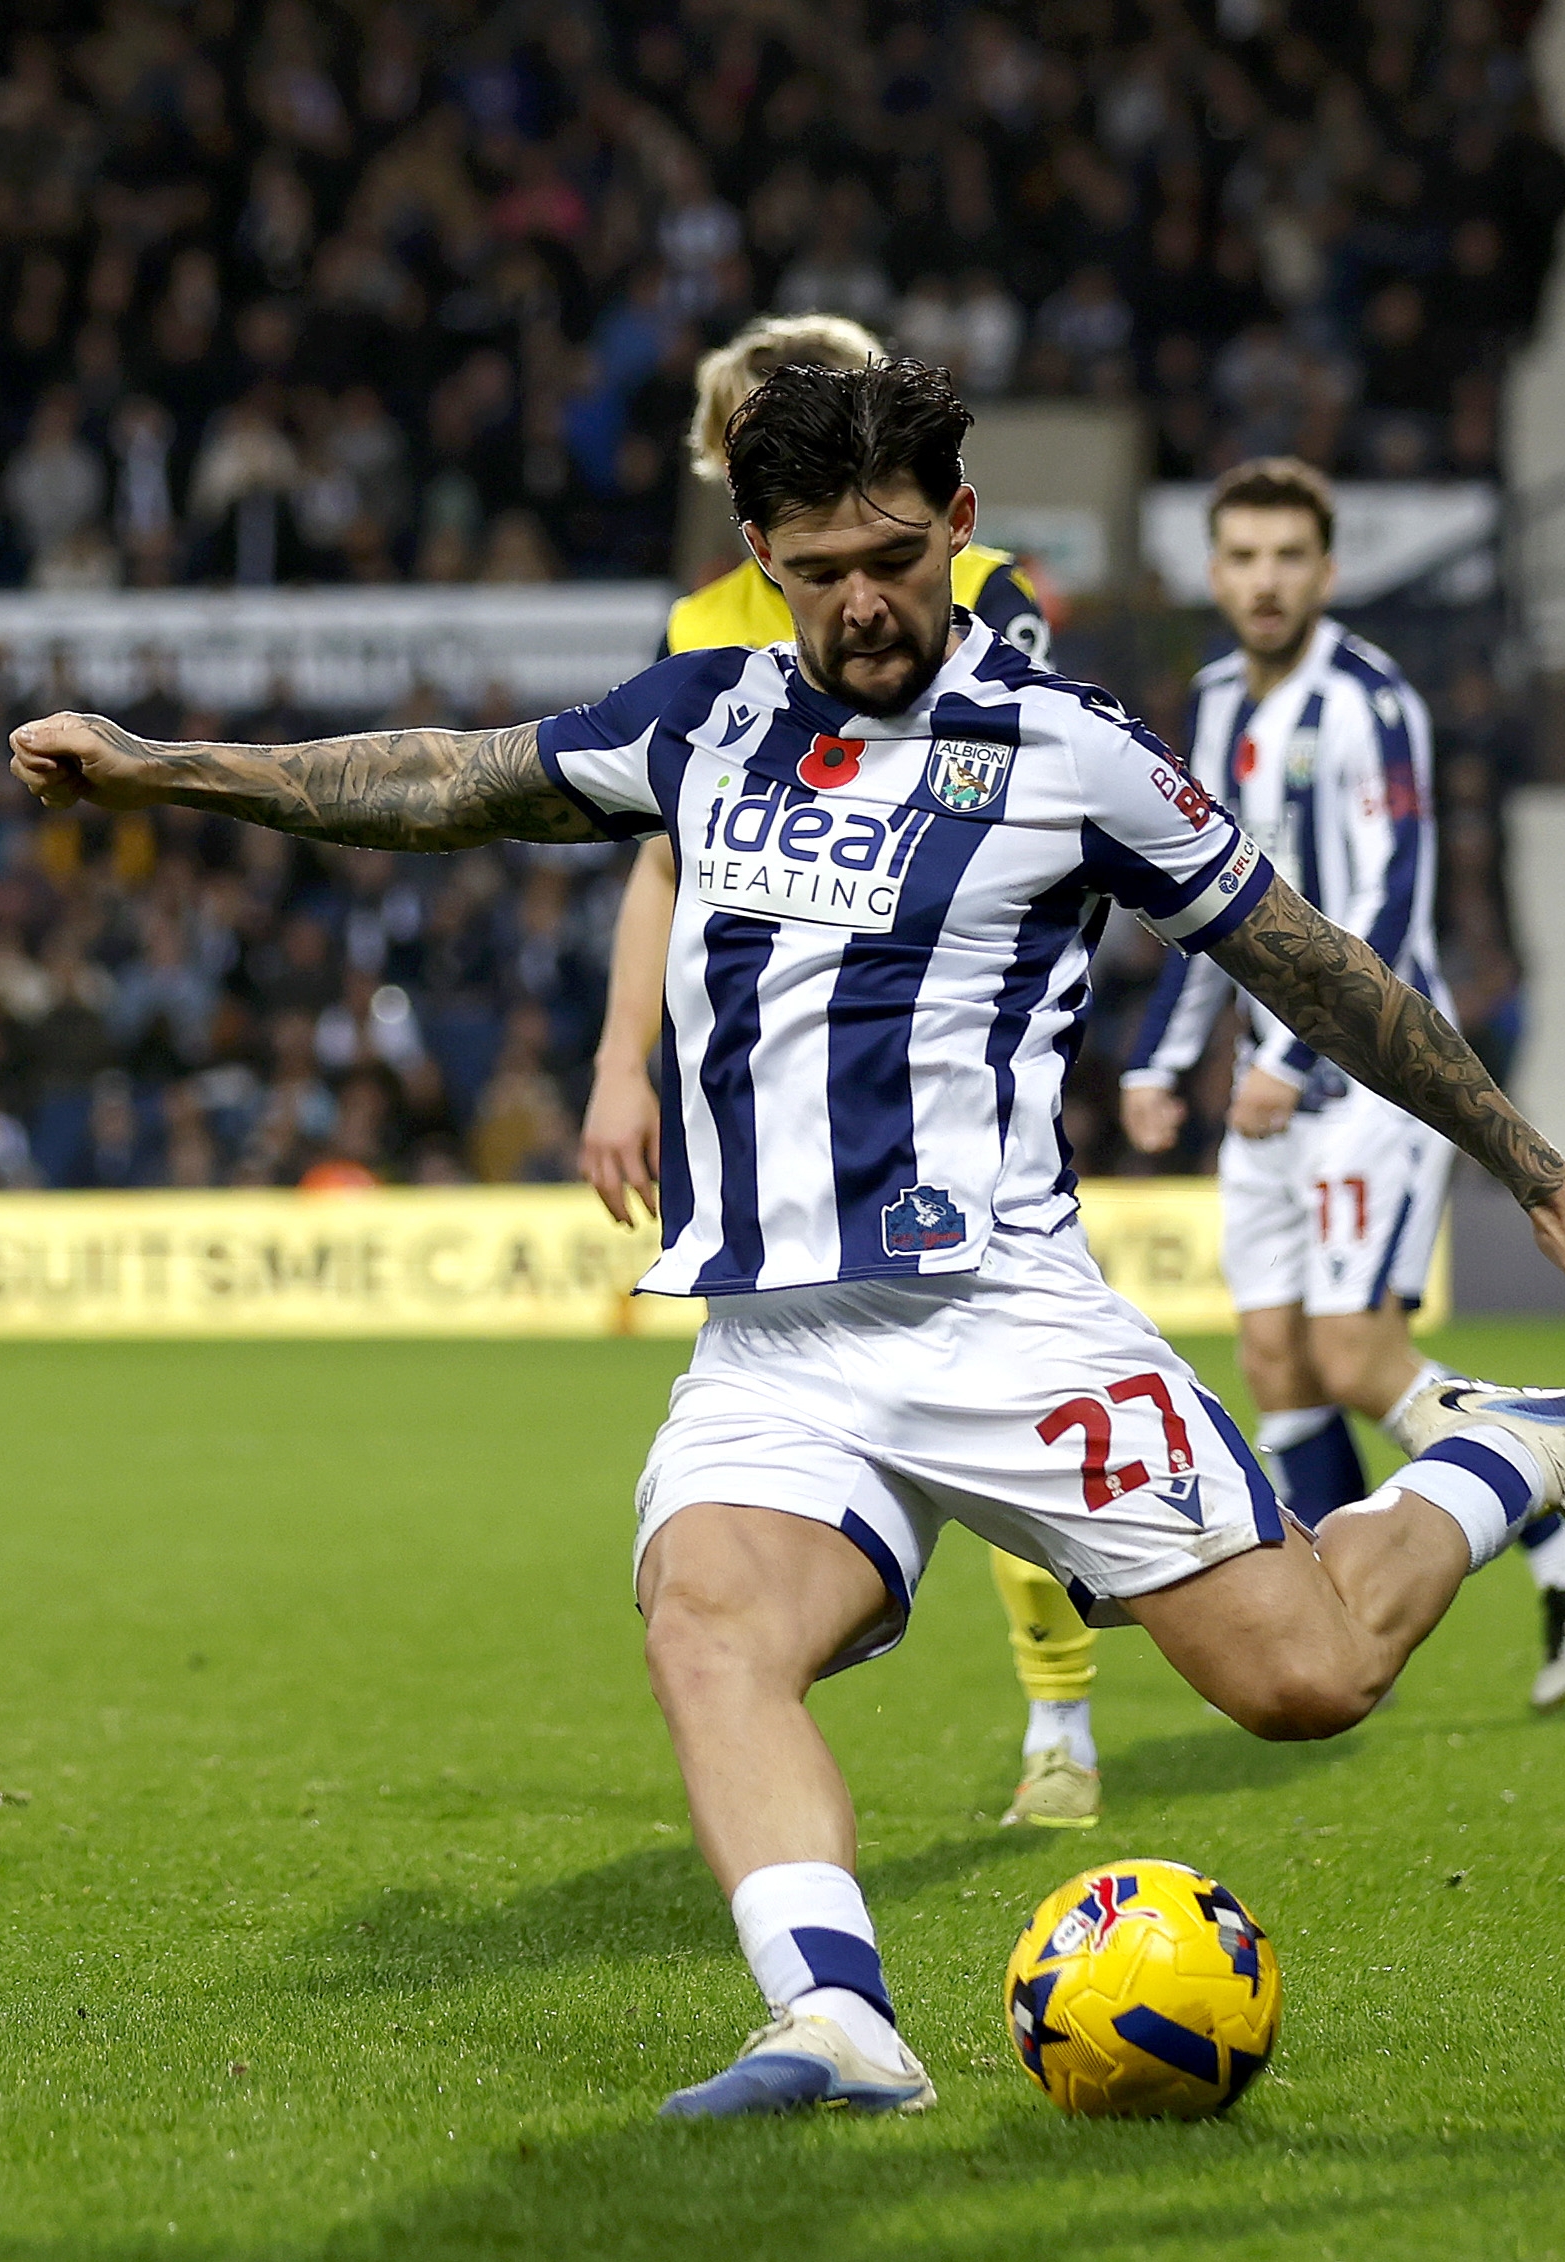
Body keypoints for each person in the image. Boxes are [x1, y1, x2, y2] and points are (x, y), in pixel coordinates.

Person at [9, 361, 1565, 2122]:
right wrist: (164, 772)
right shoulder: (698, 719)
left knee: (1310, 1678)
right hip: (778, 1352)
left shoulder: (1069, 748)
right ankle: (833, 2022)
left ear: (958, 528)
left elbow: (1317, 966)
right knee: (707, 1623)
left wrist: (1533, 1168)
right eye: (817, 567)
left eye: (894, 555)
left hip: (1007, 1323)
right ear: (762, 553)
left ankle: (1507, 1453)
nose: (862, 600)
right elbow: (442, 776)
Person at [571, 315, 1104, 1831]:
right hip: (770, 1084)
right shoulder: (698, 634)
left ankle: (1057, 1707)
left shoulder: (979, 593)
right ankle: (839, 1600)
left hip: (941, 1040)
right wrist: (627, 1061)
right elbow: (666, 856)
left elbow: (1019, 786)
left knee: (1000, 1366)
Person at [1121, 459, 1565, 1713]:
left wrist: (1295, 1062)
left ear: (1326, 572)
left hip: (1365, 1089)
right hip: (1264, 1085)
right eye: (1240, 557)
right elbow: (1206, 903)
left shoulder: (1367, 700)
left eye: (1287, 557)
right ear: (1212, 570)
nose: (1262, 580)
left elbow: (1390, 908)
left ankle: (1550, 1520)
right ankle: (1391, 1603)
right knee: (1271, 1361)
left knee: (1352, 1354)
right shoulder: (1207, 701)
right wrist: (1162, 1056)